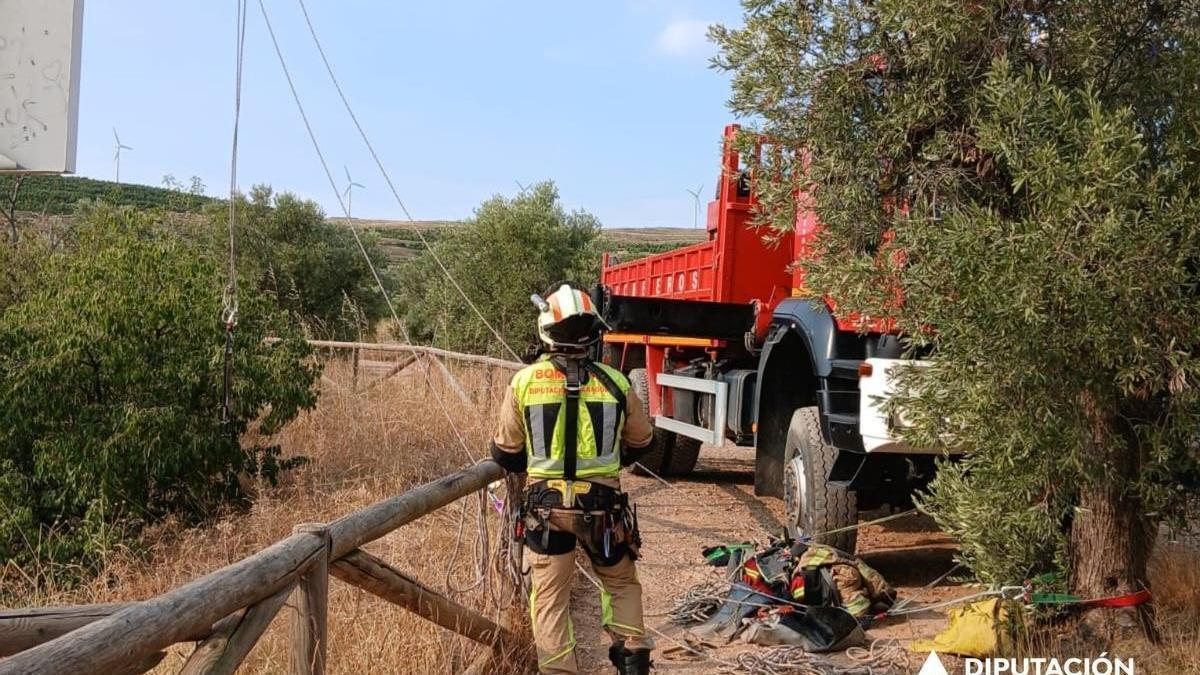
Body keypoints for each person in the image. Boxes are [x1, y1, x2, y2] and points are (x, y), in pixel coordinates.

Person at [491, 282, 655, 675]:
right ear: (593, 333)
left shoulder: (525, 382)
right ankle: (633, 661)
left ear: (545, 331)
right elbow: (642, 441)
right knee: (621, 584)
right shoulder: (616, 383)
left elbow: (505, 452)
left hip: (545, 511)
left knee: (550, 600)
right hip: (603, 511)